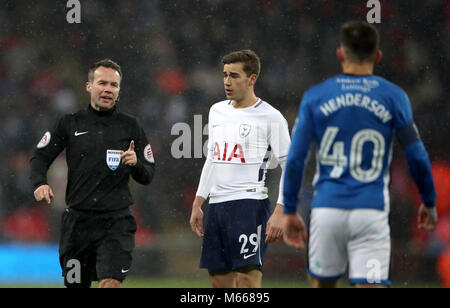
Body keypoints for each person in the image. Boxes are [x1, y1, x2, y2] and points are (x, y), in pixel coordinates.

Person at [282, 21, 438, 288]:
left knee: (322, 285)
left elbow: (296, 158)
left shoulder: (316, 96)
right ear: (377, 56)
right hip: (371, 211)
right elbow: (417, 154)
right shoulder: (393, 96)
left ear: (340, 54)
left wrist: (289, 209)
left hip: (327, 210)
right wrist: (428, 199)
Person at [29, 59, 155, 288]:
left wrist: (136, 164)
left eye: (113, 85)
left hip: (115, 222)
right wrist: (39, 183)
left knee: (111, 283)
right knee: (76, 284)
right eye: (102, 83)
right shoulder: (69, 123)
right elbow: (40, 156)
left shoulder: (131, 127)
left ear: (118, 91)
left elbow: (147, 175)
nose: (108, 89)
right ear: (89, 87)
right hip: (77, 223)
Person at [189, 49, 290, 288]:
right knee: (219, 282)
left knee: (247, 280)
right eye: (224, 75)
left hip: (249, 205)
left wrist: (280, 210)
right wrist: (198, 201)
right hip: (217, 206)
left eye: (234, 75)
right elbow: (213, 158)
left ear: (251, 79)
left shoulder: (271, 117)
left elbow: (292, 167)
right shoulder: (217, 111)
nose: (226, 81)